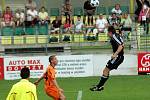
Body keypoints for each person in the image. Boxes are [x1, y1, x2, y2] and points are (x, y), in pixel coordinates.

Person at [90, 26, 124, 91]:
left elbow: (121, 45)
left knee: (105, 70)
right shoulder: (115, 36)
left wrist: (115, 54)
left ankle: (99, 87)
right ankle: (100, 86)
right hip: (118, 57)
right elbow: (122, 44)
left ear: (110, 32)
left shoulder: (114, 36)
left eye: (107, 32)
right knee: (106, 70)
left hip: (118, 57)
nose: (107, 34)